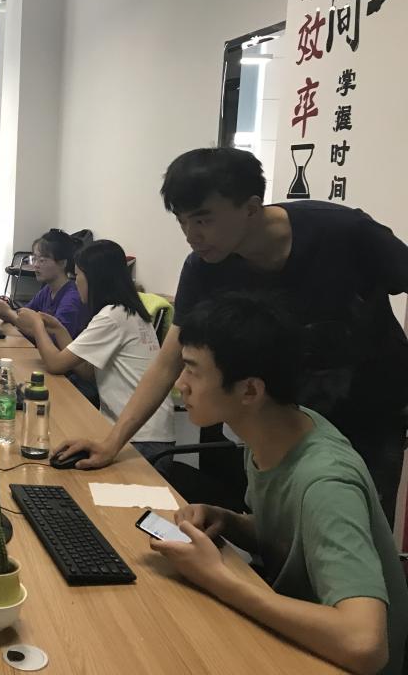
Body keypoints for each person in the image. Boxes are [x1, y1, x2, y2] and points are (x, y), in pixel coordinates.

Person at [57, 148, 408, 524]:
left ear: (252, 208)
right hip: (288, 421)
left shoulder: (344, 231)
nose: (191, 236)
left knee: (358, 530)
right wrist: (111, 443)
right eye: (182, 221)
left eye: (202, 220)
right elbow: (167, 362)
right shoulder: (206, 267)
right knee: (280, 535)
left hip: (374, 410)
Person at [148, 292, 407, 675]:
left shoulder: (326, 481)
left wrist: (219, 579)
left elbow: (365, 644)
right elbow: (299, 533)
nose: (180, 383)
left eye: (193, 370)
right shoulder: (277, 430)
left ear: (250, 390)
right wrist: (231, 521)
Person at [17, 240, 173, 465]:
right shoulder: (127, 311)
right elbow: (88, 372)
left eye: (78, 275)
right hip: (144, 432)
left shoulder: (112, 316)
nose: (76, 282)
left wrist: (37, 325)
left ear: (95, 278)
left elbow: (55, 364)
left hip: (142, 439)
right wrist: (59, 331)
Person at [0, 228, 90, 338]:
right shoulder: (48, 290)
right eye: (35, 259)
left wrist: (9, 313)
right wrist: (1, 310)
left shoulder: (71, 298)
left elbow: (55, 340)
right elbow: (22, 315)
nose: (36, 265)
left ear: (62, 263)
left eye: (42, 260)